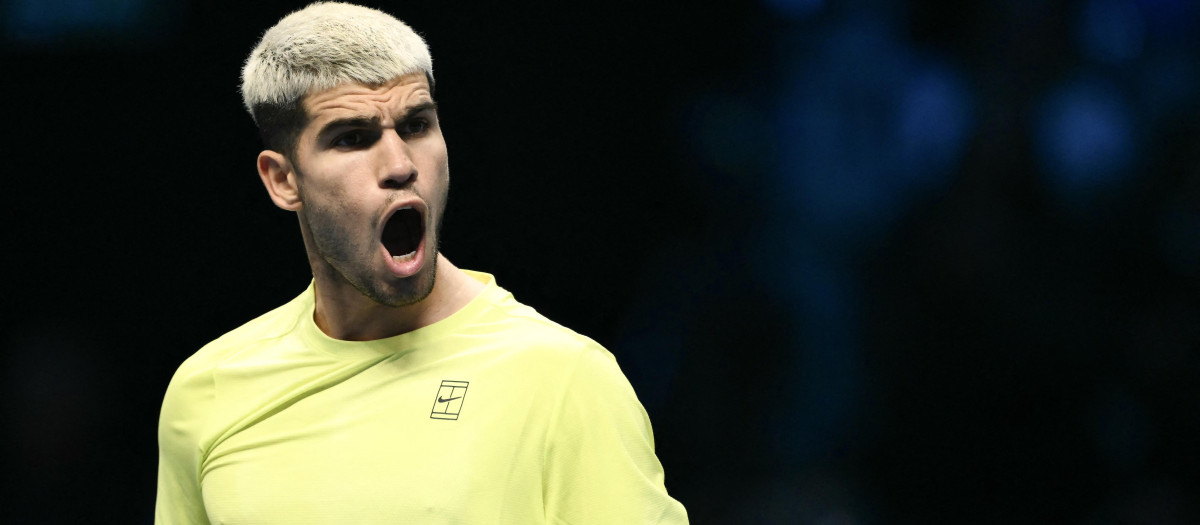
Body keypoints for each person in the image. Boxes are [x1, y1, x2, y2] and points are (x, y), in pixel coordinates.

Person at [153, 2, 688, 523]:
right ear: (283, 179)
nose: (400, 166)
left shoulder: (564, 377)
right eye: (353, 138)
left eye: (415, 126)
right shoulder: (208, 390)